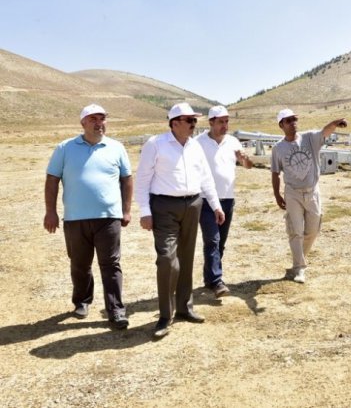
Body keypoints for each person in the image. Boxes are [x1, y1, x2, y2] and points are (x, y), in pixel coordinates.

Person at [134, 102, 225, 339]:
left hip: (193, 204)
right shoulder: (156, 144)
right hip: (164, 207)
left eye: (195, 121)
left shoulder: (195, 147)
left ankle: (185, 307)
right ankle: (165, 314)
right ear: (174, 123)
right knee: (167, 260)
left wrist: (215, 205)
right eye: (189, 121)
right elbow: (142, 178)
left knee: (186, 257)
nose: (194, 125)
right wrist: (145, 210)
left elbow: (205, 178)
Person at [43, 104, 132, 330]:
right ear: (83, 122)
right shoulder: (65, 148)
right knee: (80, 264)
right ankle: (82, 301)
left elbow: (126, 179)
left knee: (111, 264)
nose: (98, 122)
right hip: (75, 218)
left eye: (102, 118)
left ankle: (116, 310)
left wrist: (126, 209)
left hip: (108, 217)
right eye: (93, 118)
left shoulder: (116, 147)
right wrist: (51, 211)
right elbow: (52, 179)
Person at [271, 109, 347, 283]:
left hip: (312, 191)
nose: (293, 123)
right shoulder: (278, 148)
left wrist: (334, 123)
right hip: (292, 194)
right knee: (295, 231)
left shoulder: (309, 138)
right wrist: (276, 194)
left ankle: (298, 260)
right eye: (288, 120)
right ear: (281, 125)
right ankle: (299, 269)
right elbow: (275, 173)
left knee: (313, 230)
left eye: (294, 119)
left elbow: (324, 132)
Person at [196, 105, 253, 298]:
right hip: (205, 201)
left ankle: (209, 278)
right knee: (212, 240)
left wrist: (244, 159)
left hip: (228, 199)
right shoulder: (198, 142)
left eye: (227, 121)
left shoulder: (233, 142)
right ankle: (216, 281)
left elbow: (248, 166)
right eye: (221, 122)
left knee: (220, 243)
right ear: (210, 122)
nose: (225, 125)